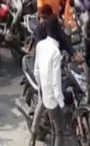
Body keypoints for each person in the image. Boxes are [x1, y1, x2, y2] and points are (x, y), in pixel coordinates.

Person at [32, 14, 65, 146]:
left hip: (44, 92)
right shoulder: (55, 52)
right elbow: (56, 82)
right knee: (59, 132)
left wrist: (42, 89)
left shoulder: (40, 45)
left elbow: (36, 70)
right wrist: (61, 103)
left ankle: (33, 134)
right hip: (52, 100)